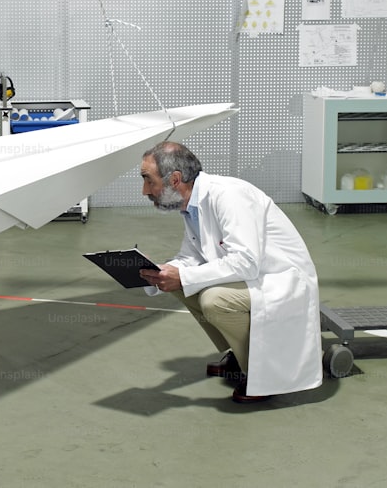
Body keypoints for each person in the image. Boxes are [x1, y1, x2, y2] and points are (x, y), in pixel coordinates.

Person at [137, 141, 322, 403]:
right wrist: (161, 273)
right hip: (254, 277)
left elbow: (246, 261)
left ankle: (263, 377)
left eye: (148, 180)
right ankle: (239, 354)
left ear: (175, 179)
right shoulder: (192, 206)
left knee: (214, 300)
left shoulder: (228, 196)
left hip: (280, 279)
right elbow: (191, 257)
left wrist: (185, 276)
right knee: (177, 284)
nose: (145, 190)